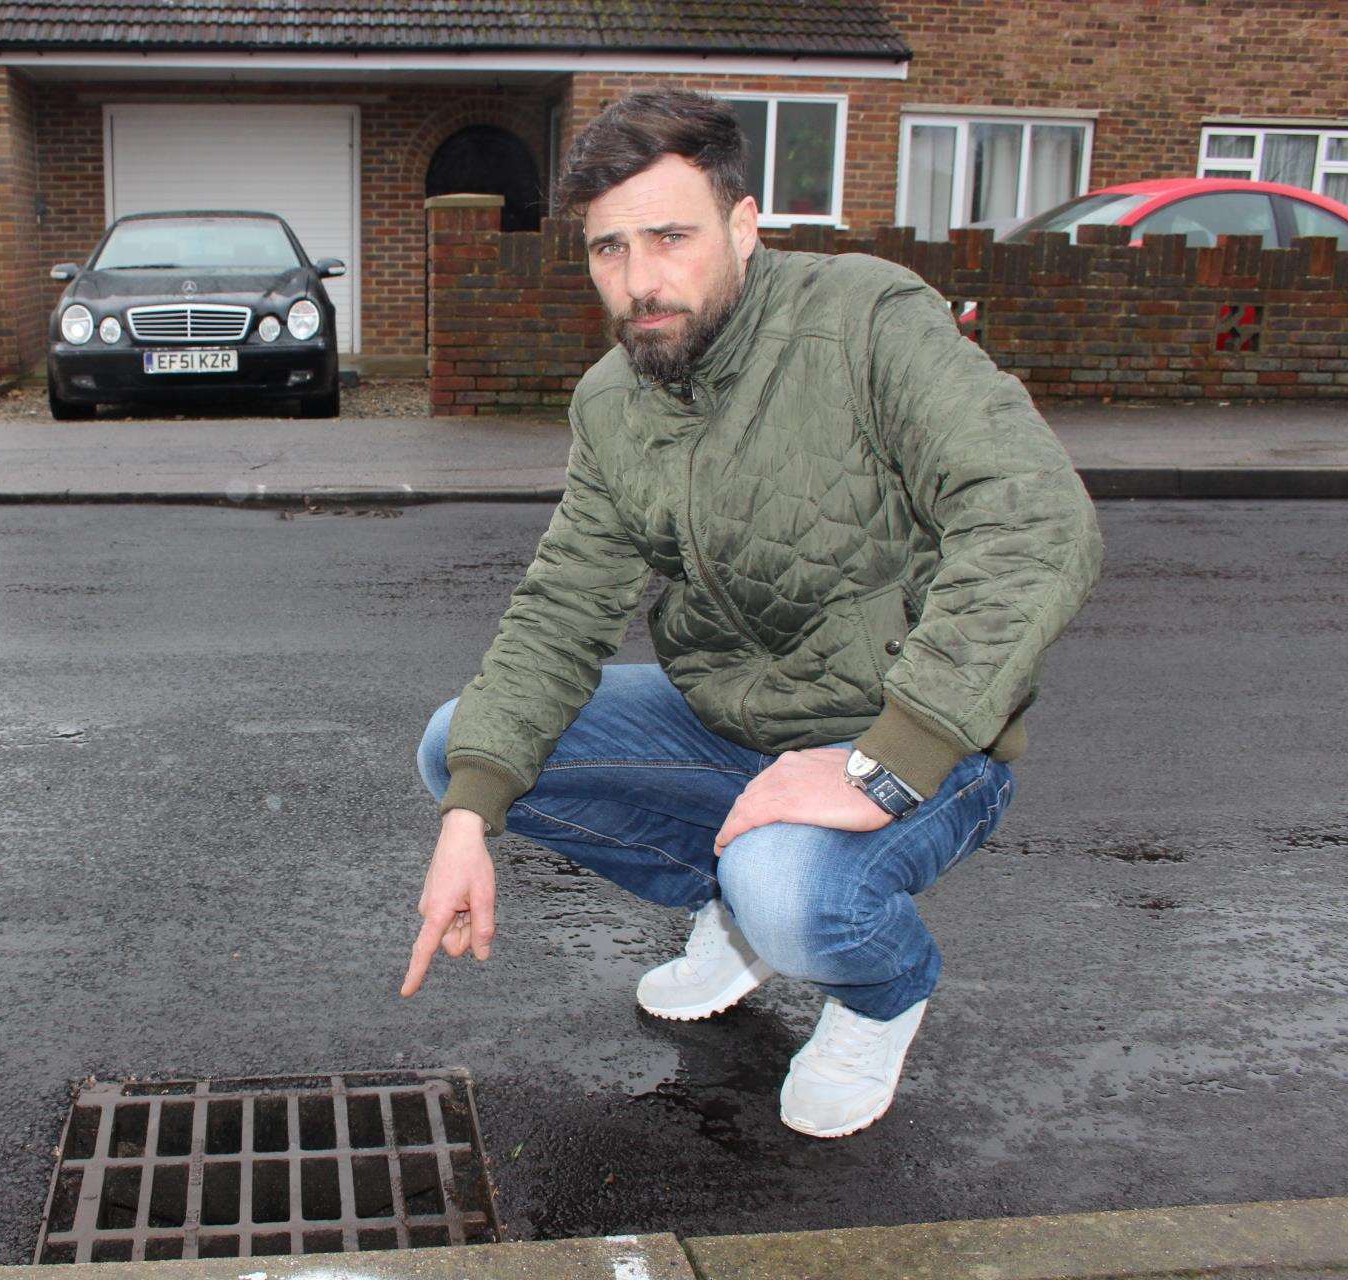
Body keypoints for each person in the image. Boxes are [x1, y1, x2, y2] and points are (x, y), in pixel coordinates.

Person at [406, 89, 1104, 1139]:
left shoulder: (866, 319)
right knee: (462, 746)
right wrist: (470, 816)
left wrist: (883, 759)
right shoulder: (614, 400)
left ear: (742, 225)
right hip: (737, 725)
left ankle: (882, 989)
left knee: (793, 889)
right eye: (608, 249)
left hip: (925, 734)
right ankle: (735, 910)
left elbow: (1037, 521)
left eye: (671, 237)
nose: (639, 280)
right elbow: (561, 609)